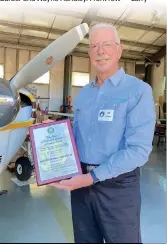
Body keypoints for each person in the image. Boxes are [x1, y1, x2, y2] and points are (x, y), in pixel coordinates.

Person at [51, 23, 156, 243]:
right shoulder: (84, 94)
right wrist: (54, 135)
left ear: (119, 49)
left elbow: (138, 150)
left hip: (117, 187)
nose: (101, 51)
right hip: (80, 183)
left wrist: (93, 177)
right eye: (94, 46)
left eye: (107, 44)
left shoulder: (138, 91)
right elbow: (78, 137)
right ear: (89, 53)